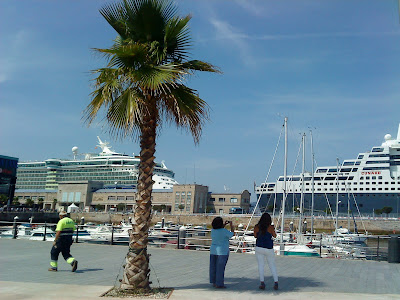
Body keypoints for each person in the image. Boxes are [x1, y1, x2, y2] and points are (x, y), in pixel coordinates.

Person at [254, 212, 278, 290]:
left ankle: (262, 283)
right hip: (268, 248)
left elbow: (255, 236)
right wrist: (273, 229)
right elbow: (275, 236)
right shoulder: (270, 227)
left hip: (259, 247)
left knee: (261, 265)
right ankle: (276, 282)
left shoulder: (257, 227)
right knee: (272, 265)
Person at [209, 217, 234, 288]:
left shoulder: (213, 230)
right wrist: (231, 225)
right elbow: (232, 234)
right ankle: (219, 283)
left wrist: (224, 225)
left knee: (213, 267)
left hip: (213, 250)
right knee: (220, 268)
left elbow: (219, 229)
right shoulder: (224, 231)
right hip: (222, 251)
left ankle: (214, 282)